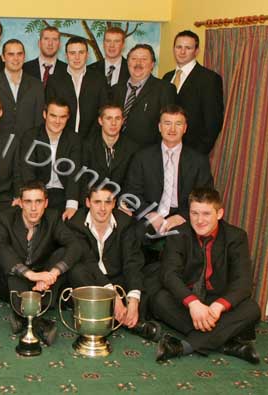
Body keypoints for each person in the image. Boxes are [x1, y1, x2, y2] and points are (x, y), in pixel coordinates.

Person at [154, 188, 260, 364]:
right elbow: (169, 274)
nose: (199, 220)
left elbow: (243, 282)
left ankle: (183, 346)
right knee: (160, 300)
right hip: (189, 302)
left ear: (219, 213)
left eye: (206, 214)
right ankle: (227, 344)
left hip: (218, 302)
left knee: (251, 309)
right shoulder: (178, 234)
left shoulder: (236, 236)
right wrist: (193, 303)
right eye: (194, 213)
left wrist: (219, 306)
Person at [67, 185, 162, 341]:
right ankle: (131, 322)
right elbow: (88, 262)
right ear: (88, 202)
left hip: (118, 277)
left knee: (153, 273)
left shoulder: (125, 222)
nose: (102, 208)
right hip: (91, 279)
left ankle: (116, 314)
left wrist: (133, 300)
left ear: (114, 203)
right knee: (76, 271)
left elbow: (131, 261)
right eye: (97, 202)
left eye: (108, 202)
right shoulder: (76, 223)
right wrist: (113, 297)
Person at [0, 181, 82, 345]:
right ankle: (38, 322)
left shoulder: (53, 217)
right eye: (28, 202)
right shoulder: (4, 218)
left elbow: (75, 245)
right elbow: (1, 249)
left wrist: (51, 274)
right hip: (15, 277)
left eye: (38, 201)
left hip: (43, 280)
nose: (33, 208)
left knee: (63, 253)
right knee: (12, 272)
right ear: (20, 203)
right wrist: (31, 275)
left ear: (46, 203)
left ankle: (23, 316)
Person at [124, 105, 213, 237]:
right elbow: (132, 192)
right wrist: (149, 214)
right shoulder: (142, 157)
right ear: (160, 127)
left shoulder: (199, 161)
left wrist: (181, 216)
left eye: (178, 124)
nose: (172, 129)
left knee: (178, 241)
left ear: (185, 128)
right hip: (149, 214)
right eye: (167, 123)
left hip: (184, 217)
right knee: (132, 235)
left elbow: (205, 196)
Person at [162, 30, 224, 155]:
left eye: (188, 48)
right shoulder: (167, 77)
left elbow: (212, 122)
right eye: (179, 47)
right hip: (164, 149)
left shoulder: (209, 79)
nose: (182, 52)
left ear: (196, 51)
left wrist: (198, 153)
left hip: (192, 152)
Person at [21, 98, 82, 218]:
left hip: (64, 194)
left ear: (68, 117)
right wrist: (36, 201)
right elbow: (27, 172)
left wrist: (71, 205)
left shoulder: (74, 139)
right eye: (53, 116)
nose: (57, 121)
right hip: (39, 193)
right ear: (45, 115)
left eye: (62, 117)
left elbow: (74, 174)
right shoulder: (31, 136)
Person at [111, 44, 176, 148]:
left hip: (147, 154)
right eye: (134, 59)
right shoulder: (115, 89)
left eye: (144, 59)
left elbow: (168, 126)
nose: (138, 63)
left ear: (152, 64)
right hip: (117, 151)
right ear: (128, 62)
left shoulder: (164, 89)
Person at [45, 36, 108, 140]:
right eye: (72, 53)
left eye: (81, 52)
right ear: (66, 55)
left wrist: (93, 137)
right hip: (62, 139)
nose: (77, 57)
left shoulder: (99, 80)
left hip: (92, 140)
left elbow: (104, 112)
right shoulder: (54, 80)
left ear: (87, 55)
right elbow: (50, 113)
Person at [0, 39, 45, 137]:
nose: (16, 58)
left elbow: (39, 121)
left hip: (27, 145)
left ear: (24, 56)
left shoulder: (36, 85)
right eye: (11, 54)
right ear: (3, 57)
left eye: (19, 54)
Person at [79, 104, 138, 196]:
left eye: (117, 118)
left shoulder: (132, 148)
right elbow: (83, 180)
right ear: (100, 121)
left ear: (123, 121)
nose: (113, 123)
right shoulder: (87, 145)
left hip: (120, 202)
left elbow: (132, 182)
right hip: (93, 201)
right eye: (109, 118)